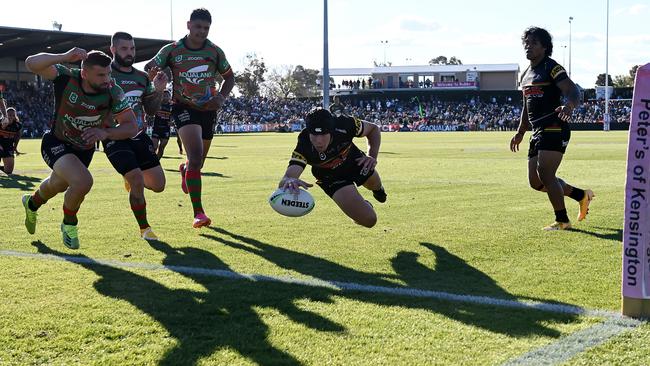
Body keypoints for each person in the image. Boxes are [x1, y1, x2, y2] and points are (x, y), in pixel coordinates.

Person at [22, 48, 137, 249]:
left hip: (83, 150)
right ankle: (69, 223)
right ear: (84, 73)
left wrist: (106, 133)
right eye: (101, 75)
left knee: (58, 185)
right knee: (83, 181)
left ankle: (31, 204)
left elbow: (131, 126)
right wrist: (64, 56)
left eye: (109, 73)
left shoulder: (113, 91)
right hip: (56, 142)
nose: (107, 79)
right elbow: (31, 63)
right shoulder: (67, 77)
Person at [146, 8, 235, 228]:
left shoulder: (214, 52)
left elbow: (230, 77)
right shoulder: (173, 50)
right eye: (198, 27)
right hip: (182, 107)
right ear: (188, 25)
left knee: (198, 163)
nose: (201, 31)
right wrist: (154, 73)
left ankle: (186, 170)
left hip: (208, 109)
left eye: (206, 28)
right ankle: (199, 213)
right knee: (195, 157)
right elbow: (150, 66)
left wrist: (222, 97)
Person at [510, 26, 594, 231]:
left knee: (546, 174)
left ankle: (562, 220)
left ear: (545, 47)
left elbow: (572, 90)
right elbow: (526, 105)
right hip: (537, 130)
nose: (528, 47)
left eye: (534, 43)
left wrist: (569, 106)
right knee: (536, 182)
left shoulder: (552, 67)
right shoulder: (526, 73)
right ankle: (580, 195)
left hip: (555, 126)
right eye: (526, 43)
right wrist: (521, 132)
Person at [104, 31, 168, 240]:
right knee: (137, 179)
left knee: (159, 185)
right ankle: (145, 229)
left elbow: (150, 110)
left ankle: (131, 179)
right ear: (112, 50)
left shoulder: (141, 77)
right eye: (124, 48)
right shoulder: (104, 75)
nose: (129, 52)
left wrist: (158, 90)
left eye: (132, 48)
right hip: (114, 136)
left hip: (139, 136)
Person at [278, 108, 387, 228]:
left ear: (331, 130)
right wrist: (289, 180)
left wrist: (372, 156)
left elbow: (373, 129)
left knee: (374, 185)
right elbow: (287, 177)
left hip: (355, 162)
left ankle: (378, 190)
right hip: (330, 177)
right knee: (370, 220)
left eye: (324, 134)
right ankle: (363, 206)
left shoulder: (345, 124)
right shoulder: (304, 143)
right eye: (314, 134)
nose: (319, 141)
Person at [0, 97, 22, 174]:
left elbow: (18, 136)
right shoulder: (0, 122)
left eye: (13, 115)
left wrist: (15, 147)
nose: (11, 117)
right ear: (5, 115)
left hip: (8, 146)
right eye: (9, 115)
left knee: (9, 171)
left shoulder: (17, 125)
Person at [151, 90, 173, 159]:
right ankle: (151, 162)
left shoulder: (172, 106)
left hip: (166, 129)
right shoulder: (157, 104)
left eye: (167, 96)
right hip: (156, 128)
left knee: (161, 147)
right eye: (164, 95)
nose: (165, 97)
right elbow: (150, 112)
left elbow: (174, 116)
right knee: (154, 147)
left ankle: (156, 162)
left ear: (170, 97)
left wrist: (172, 122)